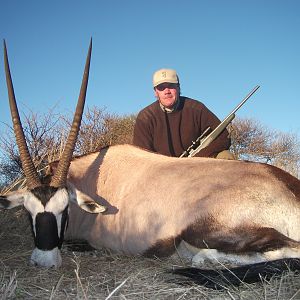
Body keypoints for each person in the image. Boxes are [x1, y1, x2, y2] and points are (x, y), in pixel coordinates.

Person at [133, 68, 234, 159]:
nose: (167, 91)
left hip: (197, 165)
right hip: (161, 171)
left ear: (178, 87)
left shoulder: (196, 108)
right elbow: (141, 157)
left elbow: (224, 137)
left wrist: (196, 158)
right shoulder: (145, 117)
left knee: (226, 156)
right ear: (156, 92)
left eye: (171, 86)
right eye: (161, 87)